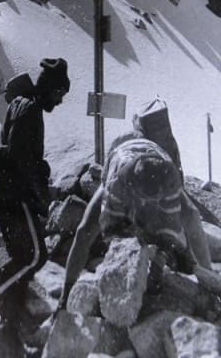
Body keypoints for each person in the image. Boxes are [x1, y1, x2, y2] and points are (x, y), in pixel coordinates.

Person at [0, 58, 70, 357]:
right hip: (15, 195)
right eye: (59, 94)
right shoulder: (31, 109)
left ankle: (7, 335)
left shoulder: (22, 103)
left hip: (7, 193)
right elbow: (21, 157)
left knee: (24, 259)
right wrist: (40, 193)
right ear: (51, 88)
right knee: (33, 257)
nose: (59, 102)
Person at [57, 128, 211, 312]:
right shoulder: (117, 186)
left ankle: (209, 286)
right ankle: (64, 297)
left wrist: (169, 255)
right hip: (120, 156)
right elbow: (112, 234)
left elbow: (170, 231)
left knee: (191, 216)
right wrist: (143, 247)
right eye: (146, 202)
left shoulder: (169, 181)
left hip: (151, 152)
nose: (150, 207)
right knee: (85, 231)